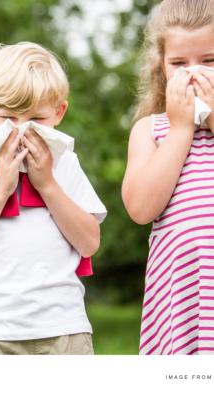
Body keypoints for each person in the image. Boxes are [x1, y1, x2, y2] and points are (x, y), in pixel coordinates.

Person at [0, 41, 107, 355]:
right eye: (9, 118)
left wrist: (48, 184)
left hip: (66, 329)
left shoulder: (64, 164)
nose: (22, 131)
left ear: (59, 112)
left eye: (36, 120)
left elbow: (89, 243)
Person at [122, 0, 214, 355]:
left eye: (209, 61)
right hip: (184, 298)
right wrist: (180, 131)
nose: (194, 74)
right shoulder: (152, 129)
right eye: (179, 63)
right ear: (161, 68)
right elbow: (141, 209)